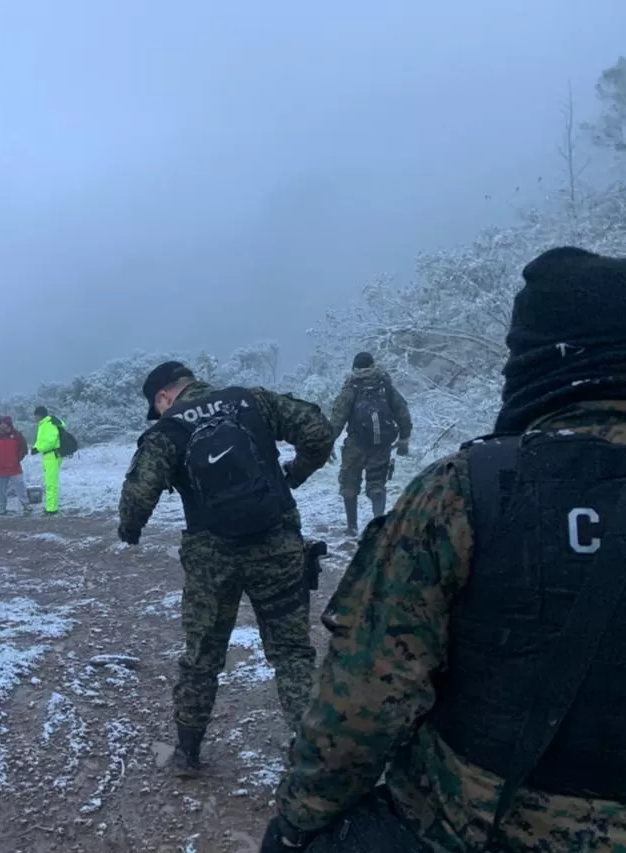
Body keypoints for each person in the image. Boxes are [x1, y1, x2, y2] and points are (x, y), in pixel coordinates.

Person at [262, 246, 626, 853]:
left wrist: (297, 825)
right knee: (373, 485)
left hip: (470, 831)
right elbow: (401, 410)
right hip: (381, 450)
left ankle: (363, 516)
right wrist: (403, 434)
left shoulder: (466, 489)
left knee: (360, 488)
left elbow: (365, 701)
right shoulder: (419, 428)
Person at [117, 361, 334, 777]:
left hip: (211, 559)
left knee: (202, 657)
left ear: (164, 396)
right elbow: (318, 433)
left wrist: (130, 529)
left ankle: (187, 755)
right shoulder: (251, 401)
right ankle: (312, 758)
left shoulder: (168, 429)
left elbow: (138, 495)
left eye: (157, 405)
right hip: (277, 544)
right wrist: (296, 473)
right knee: (291, 652)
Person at [330, 352, 413, 535]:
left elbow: (337, 418)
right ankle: (378, 526)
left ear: (354, 368)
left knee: (349, 484)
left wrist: (327, 443)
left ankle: (352, 527)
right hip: (381, 446)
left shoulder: (351, 387)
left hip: (355, 446)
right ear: (373, 365)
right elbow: (402, 411)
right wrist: (404, 438)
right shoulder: (384, 385)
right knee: (377, 485)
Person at [31, 406, 64, 515]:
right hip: (50, 456)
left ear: (39, 415)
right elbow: (42, 440)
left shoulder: (48, 424)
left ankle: (51, 509)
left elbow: (50, 441)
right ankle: (51, 507)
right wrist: (36, 447)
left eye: (35, 416)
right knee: (51, 482)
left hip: (51, 456)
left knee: (51, 483)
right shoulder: (46, 423)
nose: (34, 418)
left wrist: (38, 449)